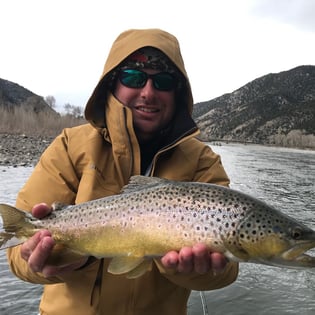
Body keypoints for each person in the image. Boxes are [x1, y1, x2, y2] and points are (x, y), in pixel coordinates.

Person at [7, 28, 238, 315]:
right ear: (113, 84)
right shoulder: (70, 146)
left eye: (163, 82)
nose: (148, 92)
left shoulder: (203, 162)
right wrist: (49, 260)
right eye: (133, 77)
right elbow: (17, 257)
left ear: (178, 93)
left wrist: (193, 272)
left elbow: (228, 271)